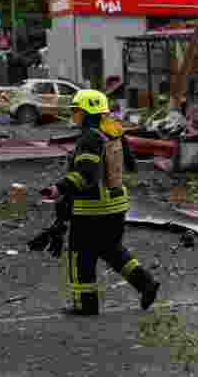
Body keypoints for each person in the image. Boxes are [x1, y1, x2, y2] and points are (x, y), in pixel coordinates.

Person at [41, 89, 158, 315]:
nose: (74, 115)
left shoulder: (90, 137)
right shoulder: (113, 133)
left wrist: (59, 188)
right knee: (112, 250)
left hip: (92, 209)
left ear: (88, 113)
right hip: (115, 207)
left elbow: (86, 175)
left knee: (81, 256)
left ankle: (86, 305)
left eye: (77, 111)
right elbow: (130, 166)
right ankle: (146, 284)